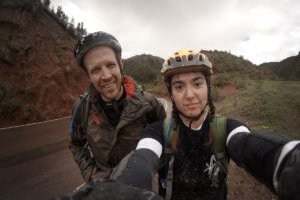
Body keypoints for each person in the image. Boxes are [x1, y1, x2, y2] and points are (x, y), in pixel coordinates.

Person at [155, 49, 300, 200]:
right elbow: (143, 155)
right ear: (171, 94)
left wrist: (287, 161)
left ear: (208, 87)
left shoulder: (226, 128)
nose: (190, 95)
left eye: (197, 84)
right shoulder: (160, 131)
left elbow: (244, 142)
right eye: (179, 87)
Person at [69, 31, 166, 182]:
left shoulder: (148, 103)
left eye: (110, 65)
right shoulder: (82, 108)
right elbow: (75, 144)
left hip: (138, 187)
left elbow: (165, 135)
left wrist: (150, 169)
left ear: (121, 64)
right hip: (102, 188)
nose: (106, 75)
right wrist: (91, 174)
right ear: (88, 75)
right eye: (96, 70)